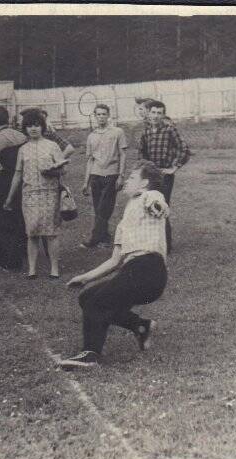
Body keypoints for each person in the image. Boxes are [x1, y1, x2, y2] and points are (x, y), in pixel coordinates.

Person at [60, 163, 170, 369]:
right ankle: (140, 325)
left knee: (97, 304)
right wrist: (85, 277)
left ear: (143, 183)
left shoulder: (149, 196)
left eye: (131, 177)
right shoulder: (123, 223)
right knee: (87, 297)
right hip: (135, 272)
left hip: (148, 268)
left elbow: (158, 203)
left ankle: (91, 354)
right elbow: (114, 260)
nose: (126, 181)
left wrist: (159, 207)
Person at [4, 109, 68, 279]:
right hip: (29, 195)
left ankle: (54, 268)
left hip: (50, 193)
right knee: (31, 232)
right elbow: (18, 174)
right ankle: (32, 269)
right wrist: (10, 198)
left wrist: (52, 171)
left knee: (51, 232)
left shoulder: (52, 146)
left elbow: (63, 169)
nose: (33, 129)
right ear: (25, 129)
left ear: (42, 127)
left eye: (37, 125)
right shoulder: (23, 149)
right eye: (30, 126)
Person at [138, 100, 190, 254]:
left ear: (163, 115)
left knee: (162, 207)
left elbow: (183, 148)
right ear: (148, 113)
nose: (155, 116)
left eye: (159, 113)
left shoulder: (169, 130)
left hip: (165, 176)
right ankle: (151, 243)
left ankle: (165, 244)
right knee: (147, 206)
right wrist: (144, 170)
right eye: (153, 112)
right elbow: (141, 153)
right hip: (150, 176)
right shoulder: (146, 132)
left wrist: (174, 167)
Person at [81, 104, 128, 249]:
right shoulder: (91, 136)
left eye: (103, 114)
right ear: (95, 116)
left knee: (104, 207)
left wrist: (121, 176)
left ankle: (95, 238)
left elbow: (123, 154)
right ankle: (105, 237)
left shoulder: (117, 132)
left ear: (108, 115)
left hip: (111, 174)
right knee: (98, 208)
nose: (101, 117)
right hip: (96, 175)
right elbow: (90, 160)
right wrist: (86, 182)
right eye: (98, 114)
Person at [0, 105, 28, 271]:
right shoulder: (20, 134)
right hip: (20, 179)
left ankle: (5, 258)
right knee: (17, 217)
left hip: (2, 180)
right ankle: (19, 252)